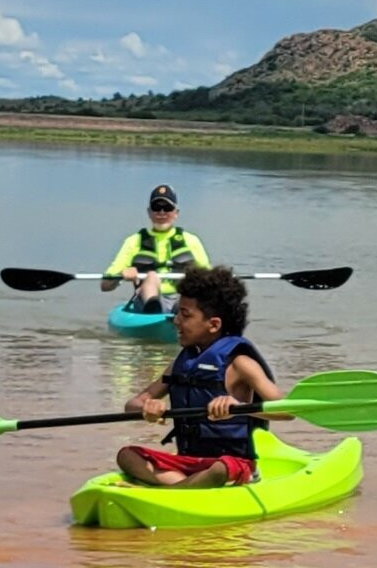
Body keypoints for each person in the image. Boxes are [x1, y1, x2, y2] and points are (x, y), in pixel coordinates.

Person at [116, 265, 292, 488]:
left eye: (185, 315)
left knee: (221, 469)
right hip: (189, 462)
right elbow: (131, 405)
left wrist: (238, 407)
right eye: (178, 312)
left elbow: (287, 411)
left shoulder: (240, 364)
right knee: (127, 455)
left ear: (214, 324)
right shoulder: (179, 365)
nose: (176, 320)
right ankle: (187, 486)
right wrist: (146, 406)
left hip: (230, 463)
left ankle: (174, 489)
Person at [101, 184, 210, 314]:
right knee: (152, 276)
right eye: (156, 207)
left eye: (167, 208)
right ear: (149, 212)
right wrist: (120, 275)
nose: (162, 212)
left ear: (176, 213)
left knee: (189, 292)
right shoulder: (133, 241)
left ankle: (181, 312)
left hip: (182, 300)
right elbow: (105, 286)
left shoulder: (191, 240)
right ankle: (153, 308)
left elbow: (210, 280)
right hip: (145, 301)